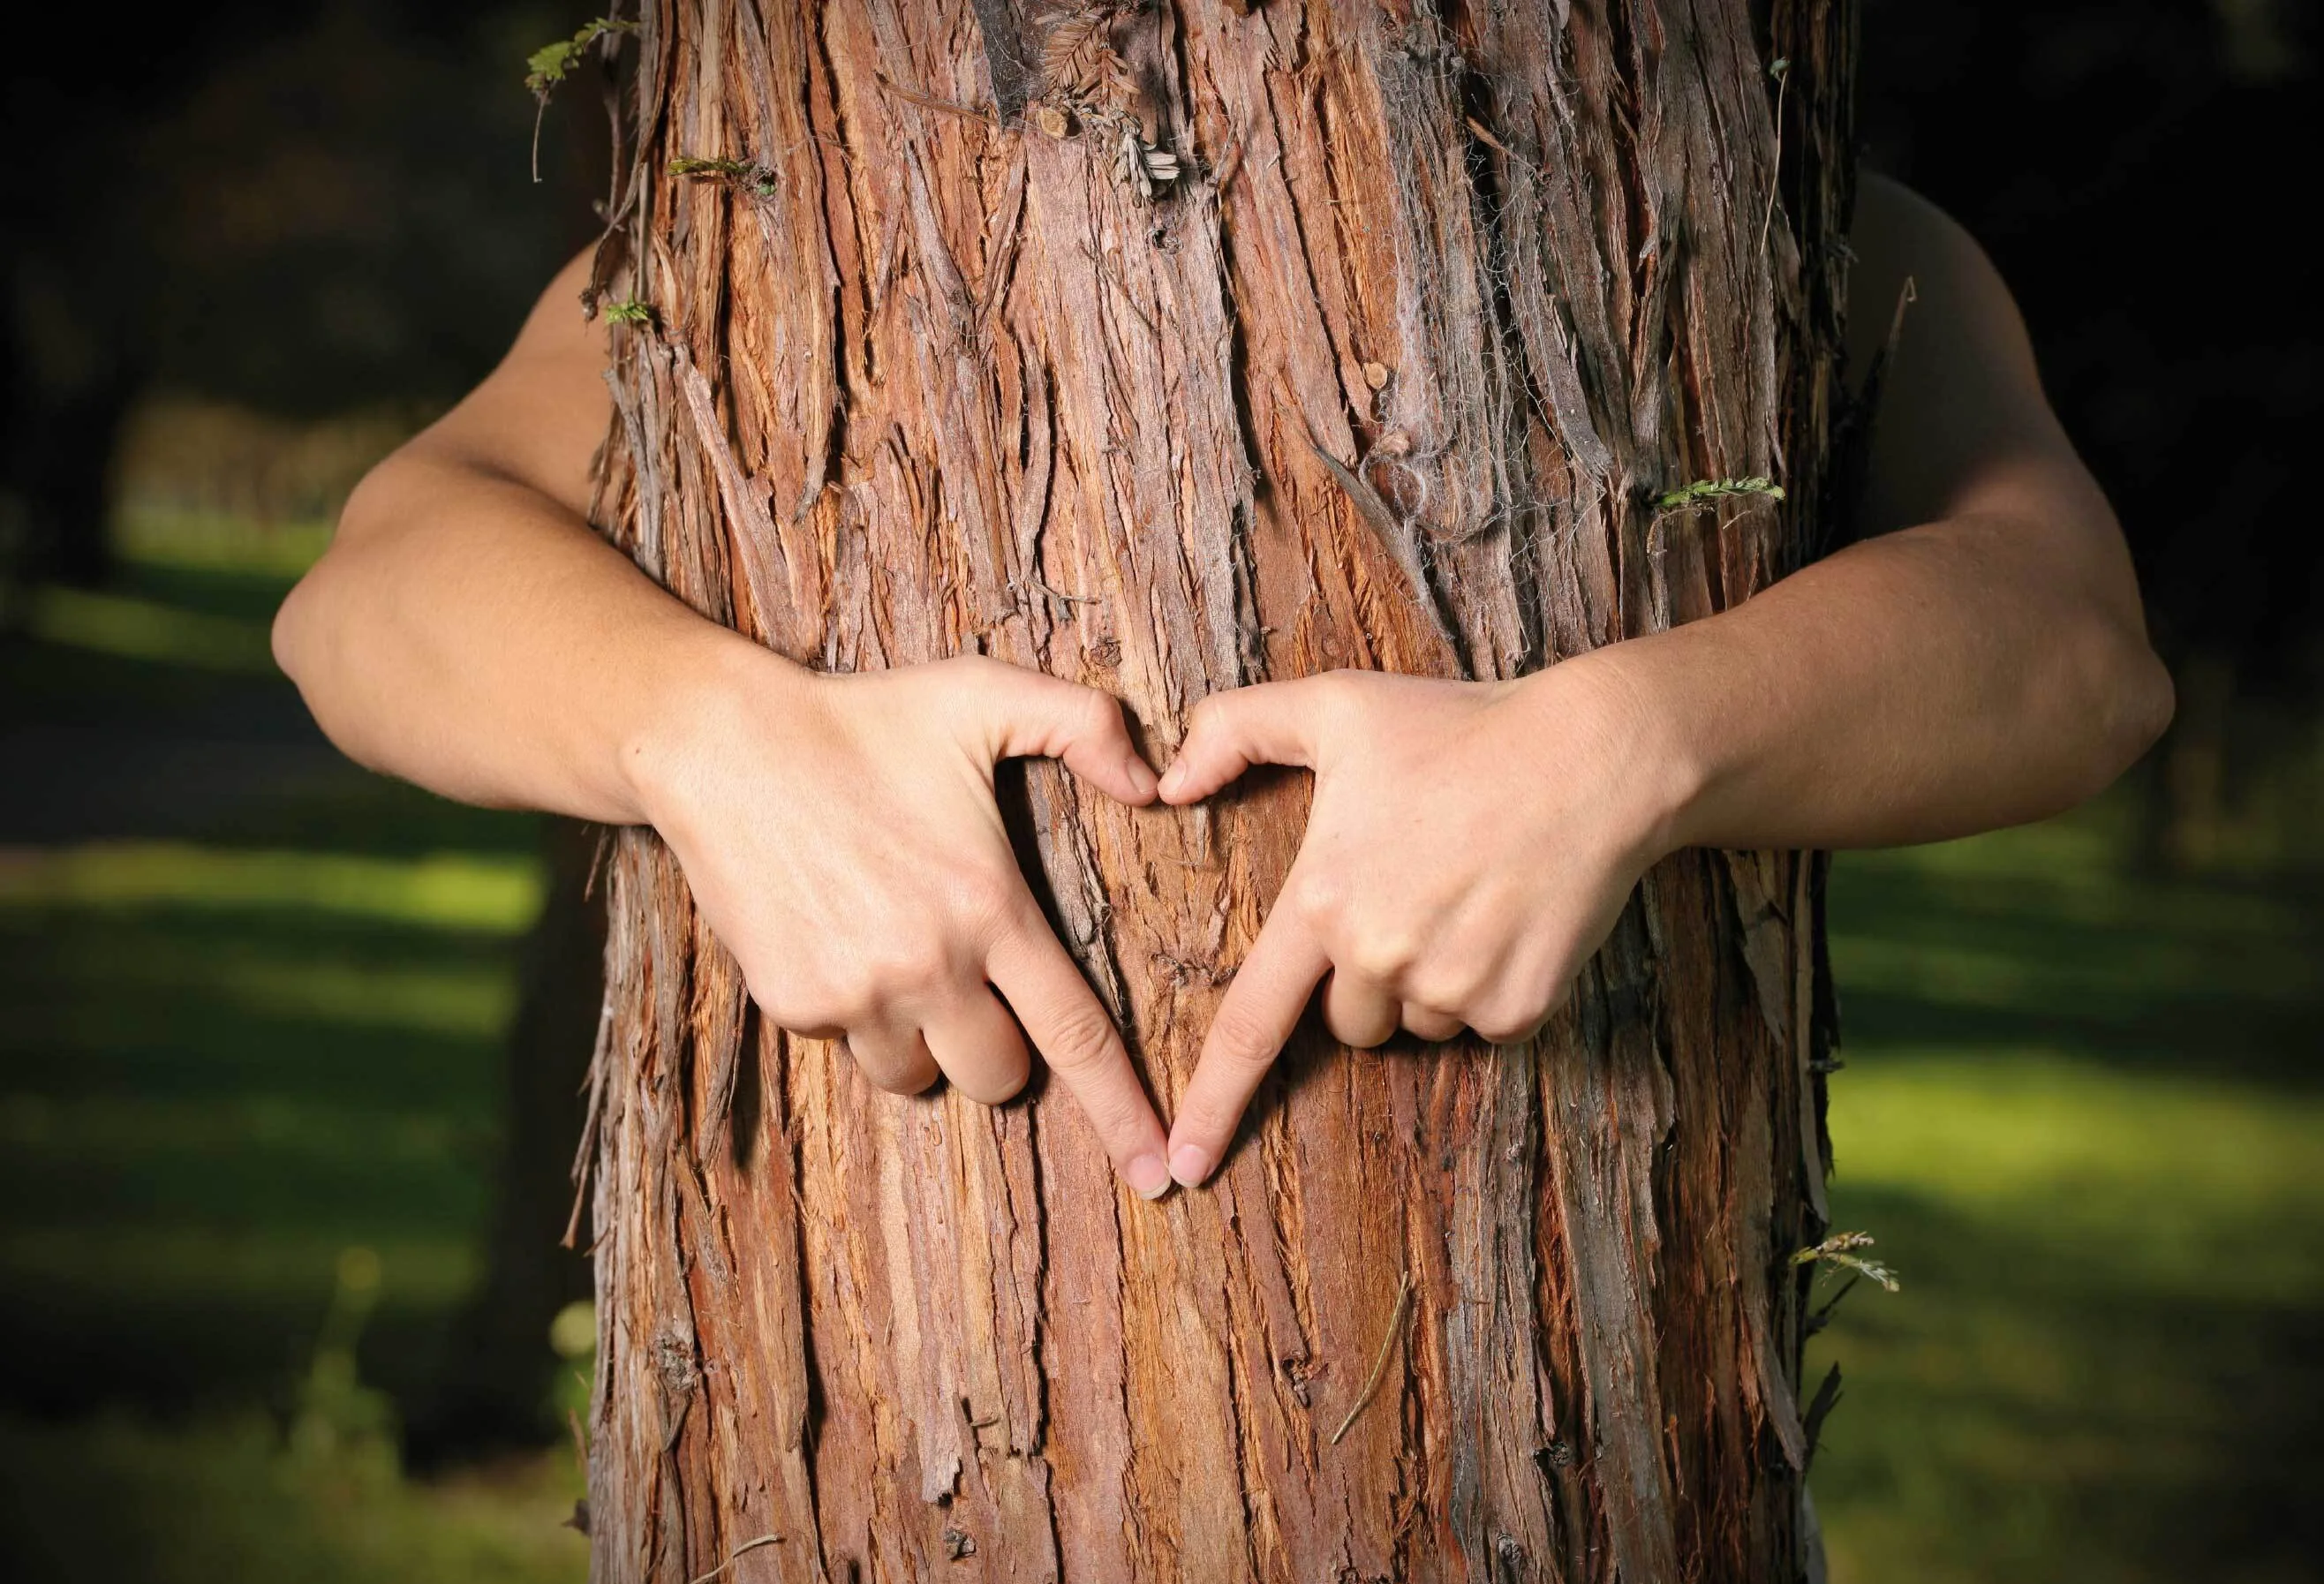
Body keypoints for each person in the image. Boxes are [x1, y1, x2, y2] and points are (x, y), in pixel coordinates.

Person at [272, 175, 2173, 1203]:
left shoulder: (1795, 207)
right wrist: (709, 736)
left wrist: (1626, 742)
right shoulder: (754, 207)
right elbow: (365, 592)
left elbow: (2073, 650)